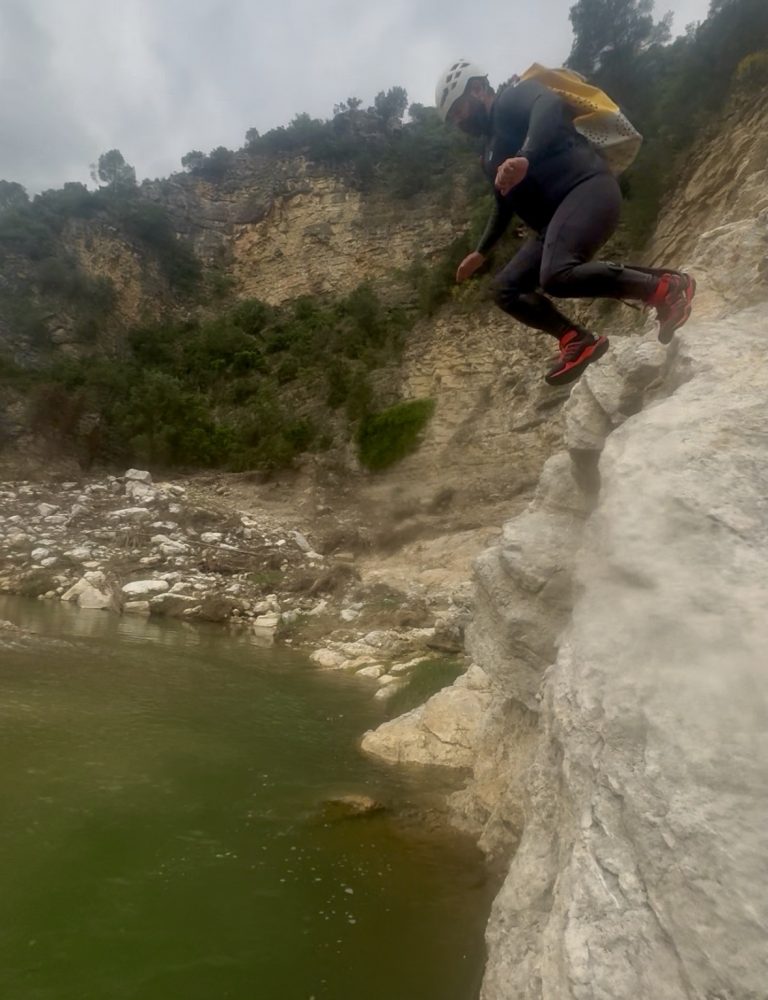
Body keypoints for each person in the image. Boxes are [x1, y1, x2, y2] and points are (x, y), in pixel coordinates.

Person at [435, 59, 696, 386]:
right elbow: (503, 204)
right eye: (453, 118)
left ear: (477, 89)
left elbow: (548, 103)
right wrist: (481, 251)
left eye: (459, 109)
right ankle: (575, 339)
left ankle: (665, 291)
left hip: (588, 188)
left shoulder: (510, 99)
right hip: (555, 222)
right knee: (505, 289)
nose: (459, 121)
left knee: (555, 273)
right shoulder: (488, 154)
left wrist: (526, 155)